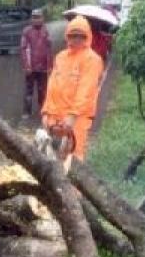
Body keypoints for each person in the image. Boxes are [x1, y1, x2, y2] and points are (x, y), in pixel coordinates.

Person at [41, 15, 103, 160]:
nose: (76, 39)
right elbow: (52, 85)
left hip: (76, 120)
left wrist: (72, 116)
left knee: (73, 160)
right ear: (67, 36)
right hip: (54, 117)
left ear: (87, 37)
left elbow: (85, 91)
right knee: (49, 160)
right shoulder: (60, 57)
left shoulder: (92, 60)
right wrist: (45, 112)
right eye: (73, 35)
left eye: (80, 36)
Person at [19, 8, 53, 117]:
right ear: (31, 19)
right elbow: (24, 49)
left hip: (43, 67)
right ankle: (26, 112)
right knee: (29, 90)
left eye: (38, 17)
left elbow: (49, 50)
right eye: (34, 17)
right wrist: (27, 65)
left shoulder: (45, 31)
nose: (36, 20)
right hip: (31, 67)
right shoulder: (27, 31)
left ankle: (43, 110)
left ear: (43, 18)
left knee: (43, 90)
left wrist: (50, 65)